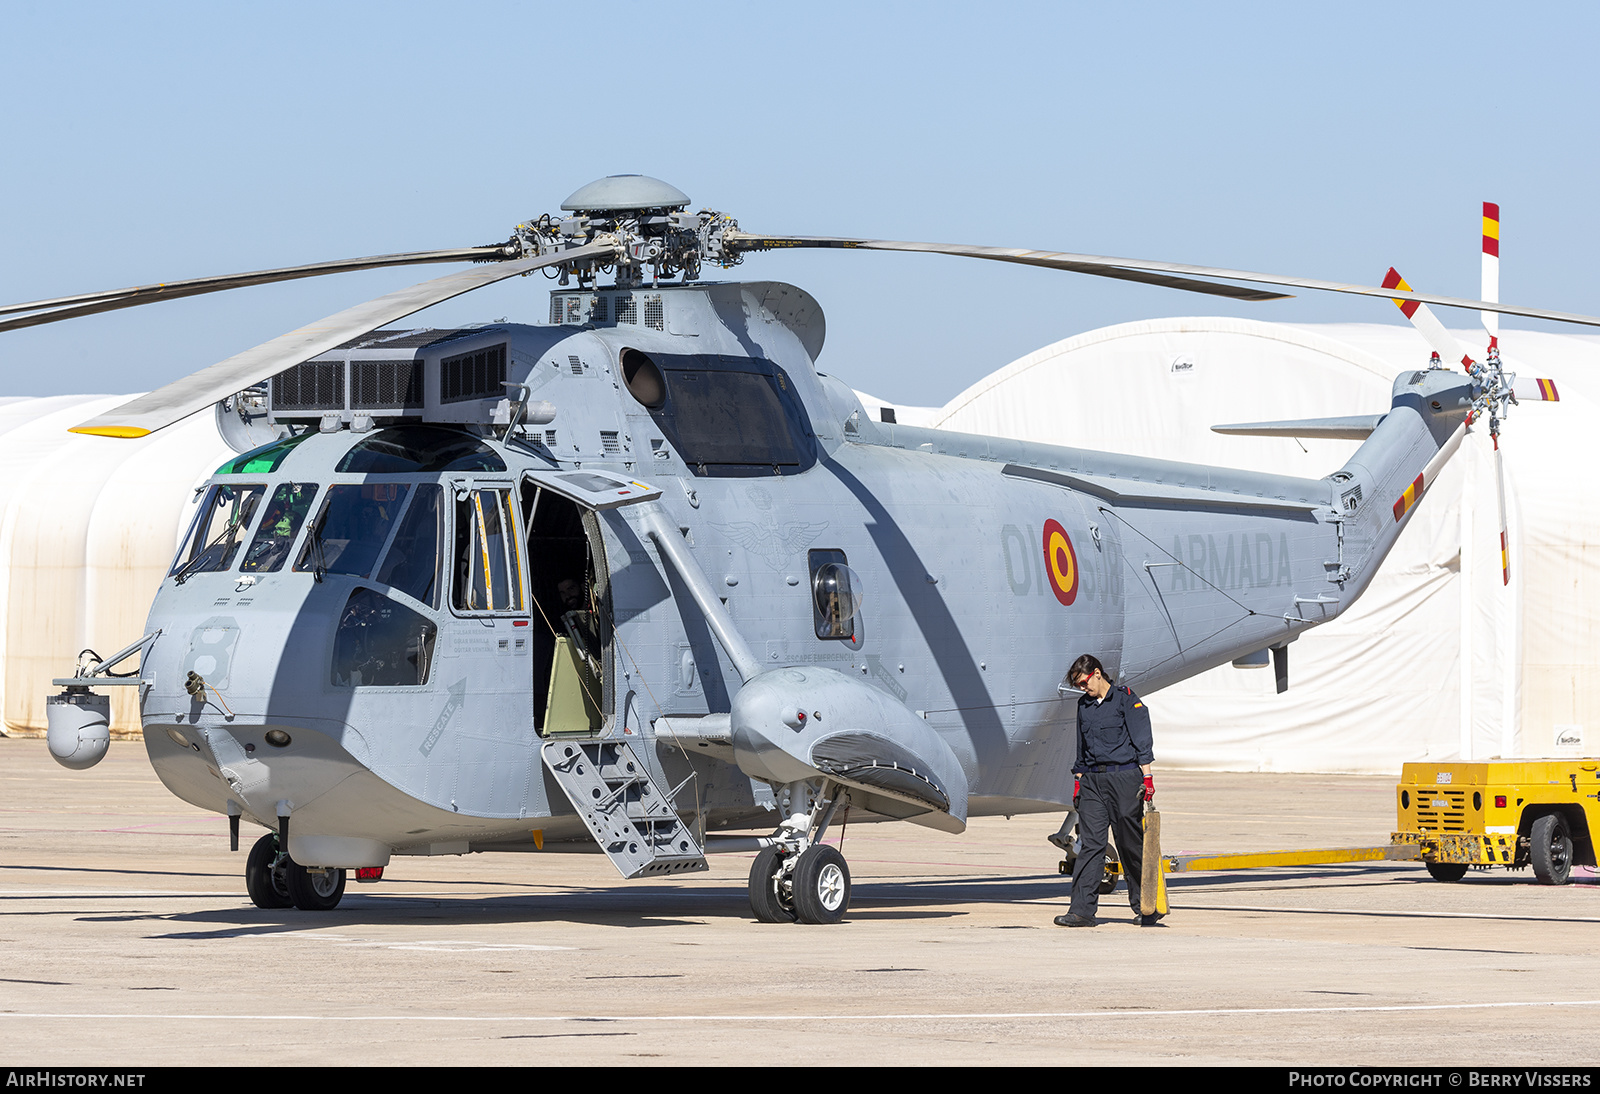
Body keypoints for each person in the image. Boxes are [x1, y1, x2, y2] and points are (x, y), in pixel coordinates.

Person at [1054, 653, 1158, 928]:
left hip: (1124, 778)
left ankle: (1147, 906)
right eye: (1078, 685)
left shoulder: (1127, 700)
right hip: (1092, 782)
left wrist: (1147, 780)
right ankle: (1082, 911)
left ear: (1097, 673)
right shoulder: (1084, 706)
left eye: (1084, 682)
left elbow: (1142, 742)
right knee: (1090, 845)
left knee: (1129, 844)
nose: (1082, 688)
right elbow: (1081, 747)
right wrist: (1078, 780)